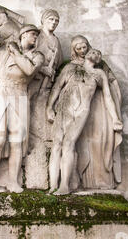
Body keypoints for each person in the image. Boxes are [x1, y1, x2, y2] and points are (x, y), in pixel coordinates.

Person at [46, 43, 123, 195]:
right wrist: (49, 107)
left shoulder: (99, 74)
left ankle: (64, 186)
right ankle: (52, 185)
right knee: (56, 145)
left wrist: (115, 118)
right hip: (63, 108)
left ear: (99, 59)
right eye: (92, 52)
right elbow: (57, 87)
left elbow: (108, 97)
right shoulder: (70, 68)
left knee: (68, 143)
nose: (94, 54)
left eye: (98, 54)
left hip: (81, 111)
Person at [0, 24, 44, 193]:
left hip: (20, 96)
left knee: (16, 141)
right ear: (23, 35)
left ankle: (13, 181)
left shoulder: (37, 56)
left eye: (36, 35)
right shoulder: (2, 52)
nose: (35, 37)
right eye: (32, 34)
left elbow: (28, 70)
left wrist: (15, 52)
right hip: (0, 94)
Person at [36, 9, 63, 93]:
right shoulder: (36, 35)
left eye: (57, 20)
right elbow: (26, 55)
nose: (54, 22)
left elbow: (59, 62)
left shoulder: (56, 40)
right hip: (34, 77)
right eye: (51, 19)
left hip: (48, 81)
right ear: (44, 20)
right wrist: (42, 69)